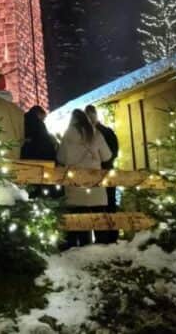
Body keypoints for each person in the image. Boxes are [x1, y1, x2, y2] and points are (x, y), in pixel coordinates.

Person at [57, 108, 113, 247]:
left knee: (79, 218)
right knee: (99, 217)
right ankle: (102, 245)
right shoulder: (95, 133)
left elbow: (61, 158)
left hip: (76, 184)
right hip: (95, 183)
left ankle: (84, 246)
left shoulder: (68, 134)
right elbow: (107, 156)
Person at [85, 104, 120, 243]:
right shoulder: (107, 131)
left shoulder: (92, 134)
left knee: (100, 205)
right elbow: (114, 152)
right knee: (109, 204)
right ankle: (111, 236)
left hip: (99, 173)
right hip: (107, 172)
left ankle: (104, 237)